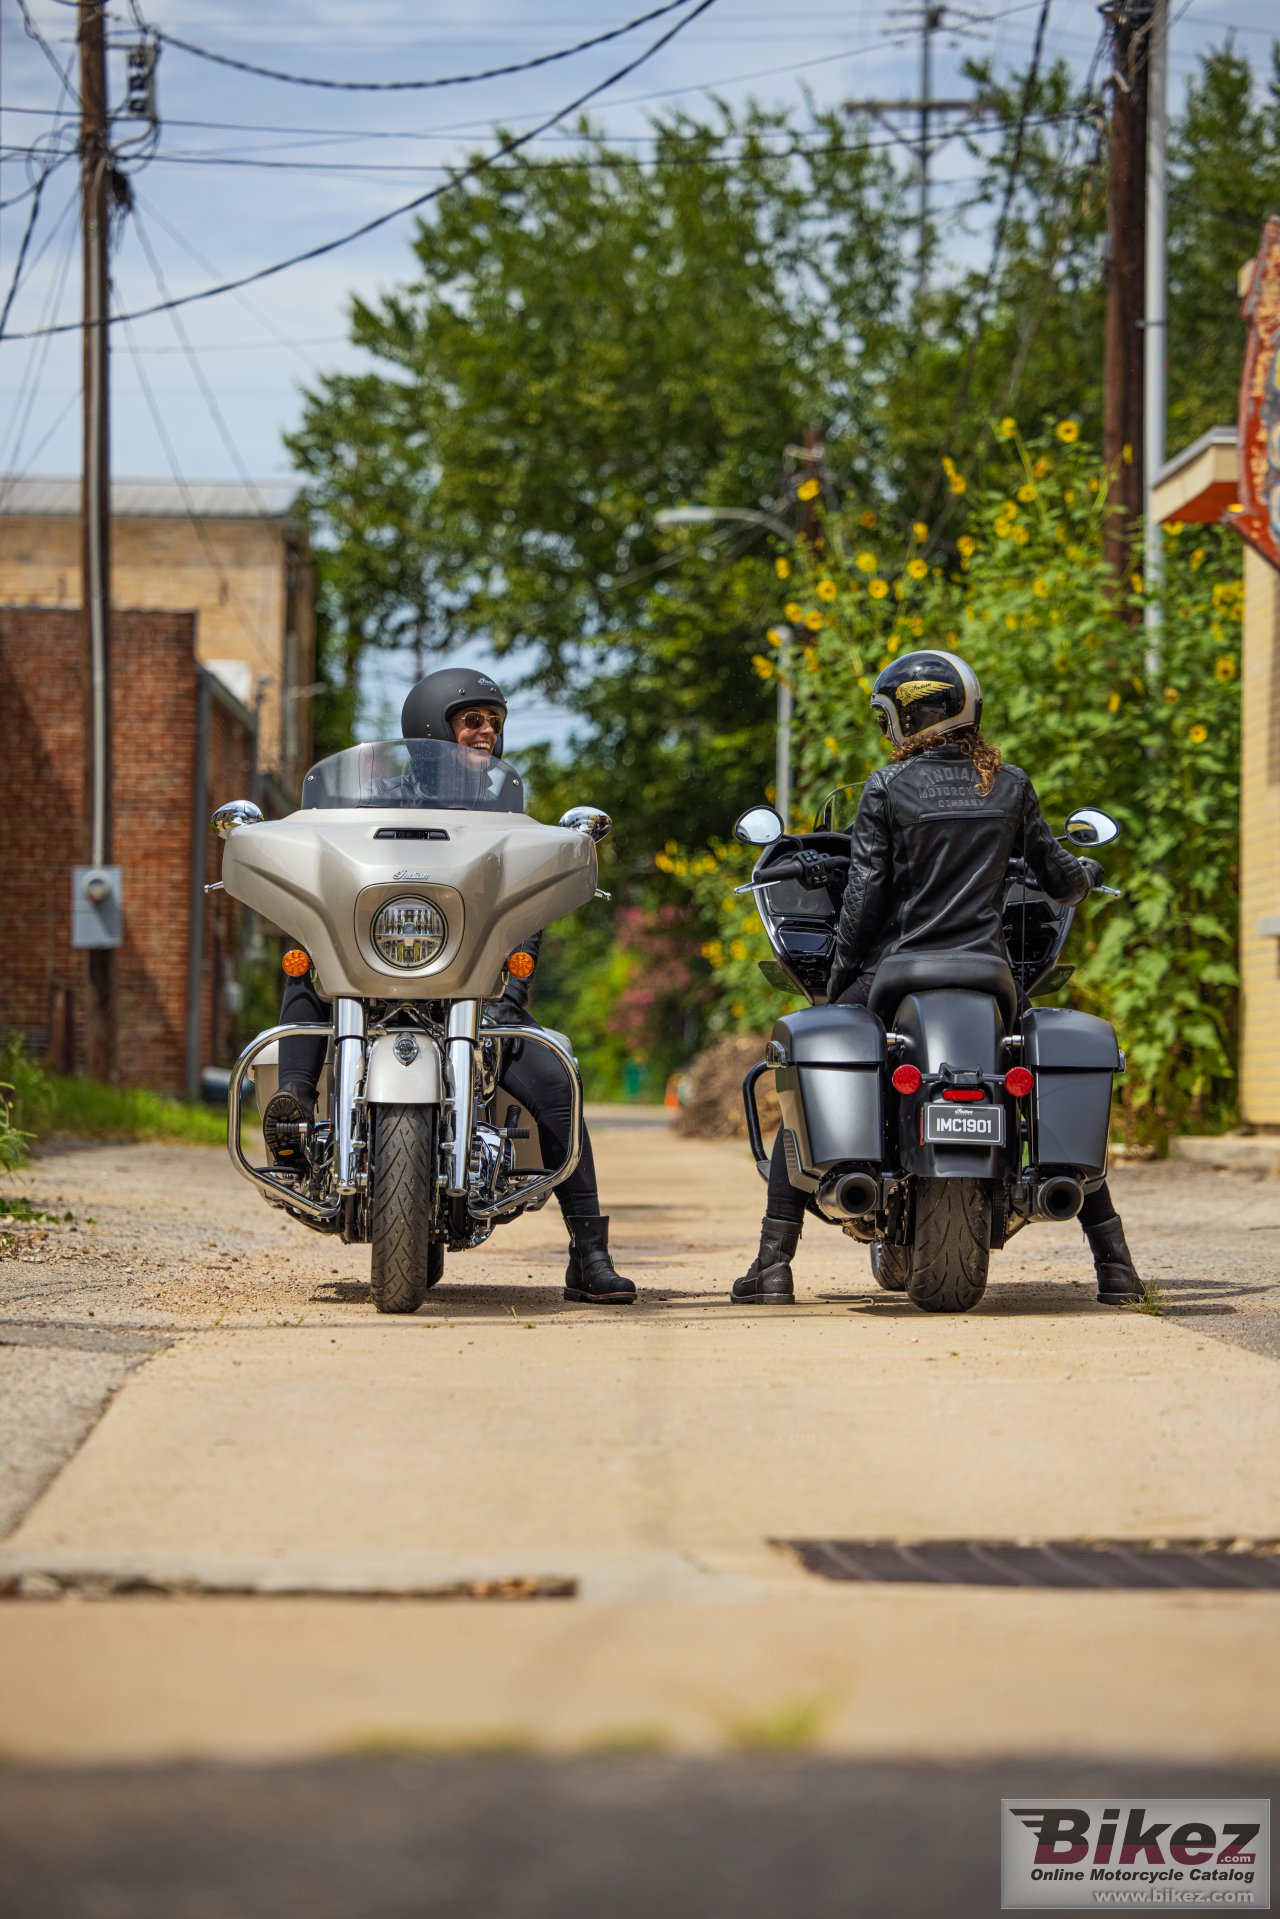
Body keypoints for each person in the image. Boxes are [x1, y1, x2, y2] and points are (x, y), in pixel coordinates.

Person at [733, 648, 1144, 1308]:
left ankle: (772, 1265)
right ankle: (1117, 1268)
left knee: (815, 1070)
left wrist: (837, 988)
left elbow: (865, 899)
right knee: (1040, 1082)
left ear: (904, 719)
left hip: (900, 974)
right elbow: (1062, 881)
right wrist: (1088, 875)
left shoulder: (885, 788)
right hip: (989, 975)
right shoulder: (1009, 784)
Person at [263, 666, 635, 1305]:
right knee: (307, 958)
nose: (487, 730)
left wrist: (509, 993)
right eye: (473, 719)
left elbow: (527, 903)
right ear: (435, 727)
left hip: (476, 995)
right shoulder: (370, 803)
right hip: (373, 976)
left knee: (553, 1079)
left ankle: (589, 1253)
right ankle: (292, 1113)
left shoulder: (507, 814)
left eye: (494, 721)